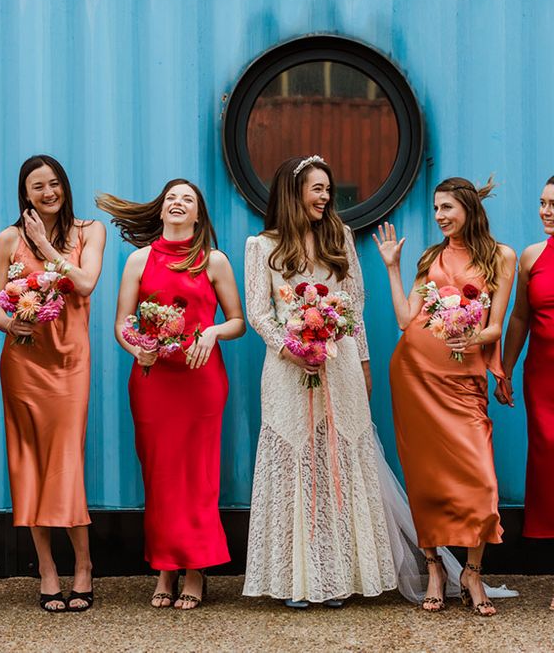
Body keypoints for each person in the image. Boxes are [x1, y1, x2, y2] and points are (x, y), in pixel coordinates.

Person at [243, 155, 397, 607]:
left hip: (341, 363)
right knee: (296, 460)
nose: (326, 197)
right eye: (317, 188)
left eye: (328, 189)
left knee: (337, 459)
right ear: (294, 193)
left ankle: (338, 576)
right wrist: (291, 349)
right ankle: (297, 580)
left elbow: (356, 306)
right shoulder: (261, 245)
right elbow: (259, 311)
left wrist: (364, 364)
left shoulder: (340, 237)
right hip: (287, 369)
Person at [97, 179, 245, 609]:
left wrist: (213, 332)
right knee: (160, 475)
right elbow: (122, 321)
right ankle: (165, 567)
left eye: (188, 200)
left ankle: (196, 569)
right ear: (161, 211)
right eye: (171, 199)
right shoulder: (139, 261)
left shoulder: (214, 261)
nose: (178, 204)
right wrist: (136, 347)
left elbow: (237, 320)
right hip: (153, 381)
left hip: (201, 381)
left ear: (198, 215)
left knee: (197, 474)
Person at [374, 176, 516, 616]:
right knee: (427, 478)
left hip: (463, 380)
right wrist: (393, 268)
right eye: (435, 209)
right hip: (415, 373)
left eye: (446, 208)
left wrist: (469, 337)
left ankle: (472, 572)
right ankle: (435, 567)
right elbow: (403, 319)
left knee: (481, 477)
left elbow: (496, 327)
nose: (439, 217)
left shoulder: (500, 257)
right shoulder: (431, 257)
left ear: (469, 208)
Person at [0, 155, 106, 612]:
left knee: (66, 459)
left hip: (69, 361)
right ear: (25, 194)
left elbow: (84, 283)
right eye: (37, 187)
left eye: (54, 183)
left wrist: (45, 244)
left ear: (64, 186)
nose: (48, 193)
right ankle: (47, 569)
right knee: (30, 463)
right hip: (23, 363)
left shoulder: (88, 231)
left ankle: (84, 564)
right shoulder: (7, 239)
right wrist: (10, 325)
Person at [495, 176, 554, 609]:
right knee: (550, 470)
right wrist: (505, 368)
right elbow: (518, 318)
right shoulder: (532, 256)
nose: (546, 211)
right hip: (543, 379)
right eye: (542, 203)